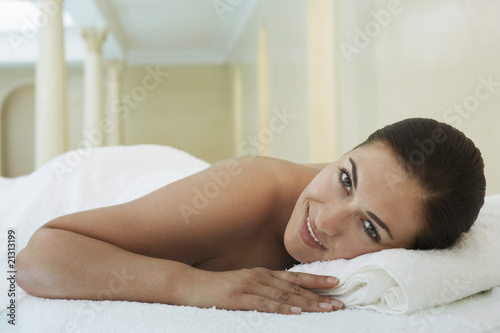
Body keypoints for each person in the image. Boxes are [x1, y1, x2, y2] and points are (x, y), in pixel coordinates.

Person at [16, 118, 486, 315]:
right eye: (345, 178)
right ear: (343, 152)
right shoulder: (248, 191)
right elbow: (40, 256)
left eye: (369, 227)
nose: (324, 222)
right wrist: (192, 284)